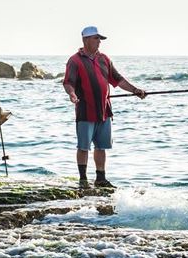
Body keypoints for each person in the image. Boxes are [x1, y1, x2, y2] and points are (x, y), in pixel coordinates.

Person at [63, 26, 147, 188]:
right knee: (83, 147)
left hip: (104, 111)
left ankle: (100, 179)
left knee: (101, 147)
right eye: (96, 38)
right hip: (85, 110)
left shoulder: (104, 59)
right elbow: (68, 82)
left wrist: (135, 90)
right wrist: (72, 95)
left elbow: (118, 80)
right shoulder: (74, 60)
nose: (99, 42)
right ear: (86, 40)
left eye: (100, 39)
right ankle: (83, 180)